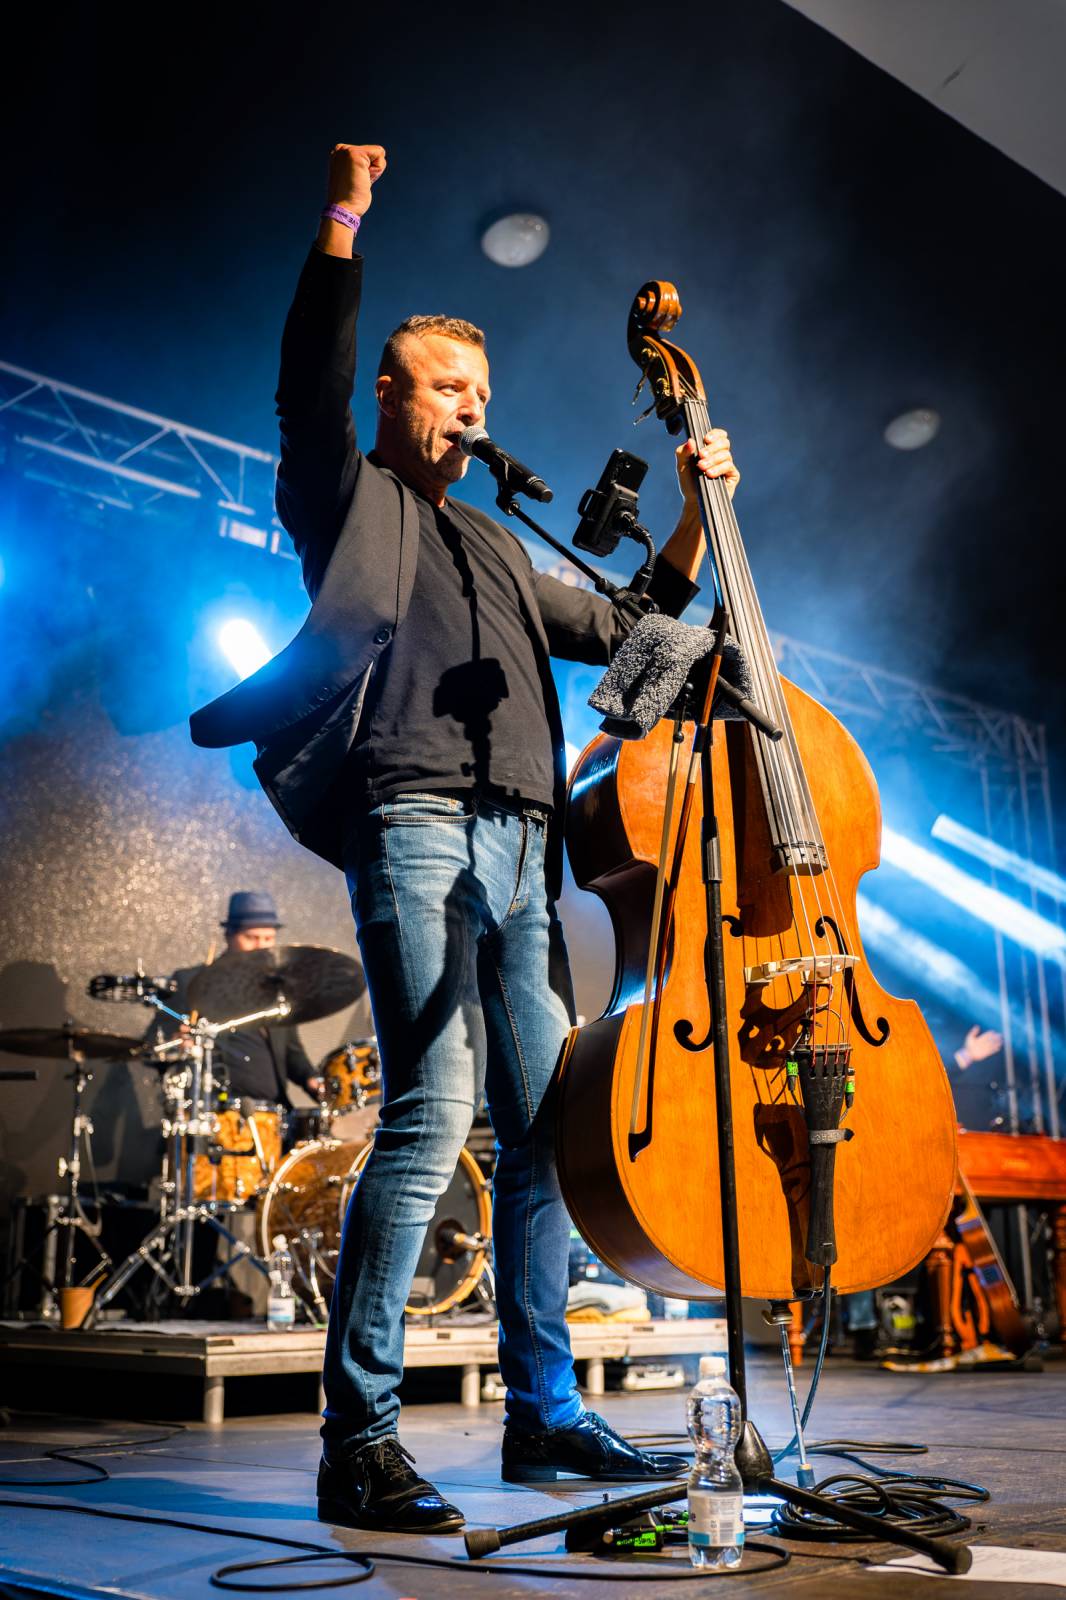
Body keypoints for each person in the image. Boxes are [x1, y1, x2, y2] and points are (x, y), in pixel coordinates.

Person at [190, 142, 740, 1534]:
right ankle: (355, 1440)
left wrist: (689, 517)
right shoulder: (349, 498)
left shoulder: (497, 547)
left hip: (525, 857)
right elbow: (306, 390)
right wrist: (340, 225)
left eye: (479, 396)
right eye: (446, 386)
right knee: (431, 1118)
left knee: (550, 1133)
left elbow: (627, 639)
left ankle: (545, 1421)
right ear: (393, 394)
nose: (468, 409)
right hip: (419, 825)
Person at [156, 891, 321, 1106]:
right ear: (229, 936)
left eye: (268, 938)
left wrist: (314, 1080)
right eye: (252, 938)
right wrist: (176, 1042)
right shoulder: (192, 982)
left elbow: (291, 1053)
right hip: (217, 1114)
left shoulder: (277, 992)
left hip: (273, 1120)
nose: (261, 946)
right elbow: (155, 1042)